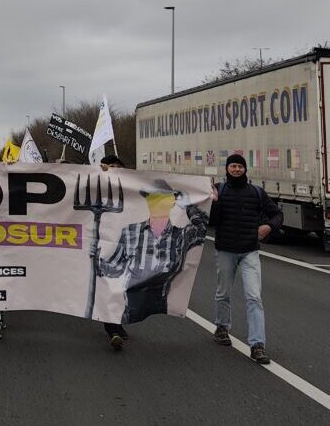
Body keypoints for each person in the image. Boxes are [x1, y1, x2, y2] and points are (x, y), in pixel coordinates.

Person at [98, 178, 208, 335]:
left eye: (163, 198)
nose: (158, 203)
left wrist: (188, 206)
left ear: (171, 202)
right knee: (118, 309)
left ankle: (115, 328)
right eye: (153, 198)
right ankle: (113, 328)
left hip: (161, 301)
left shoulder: (181, 235)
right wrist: (97, 261)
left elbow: (202, 228)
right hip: (130, 301)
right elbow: (114, 267)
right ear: (148, 202)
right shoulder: (130, 232)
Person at [210, 154, 283, 364]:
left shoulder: (256, 193)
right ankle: (222, 328)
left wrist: (269, 226)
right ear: (227, 168)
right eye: (232, 166)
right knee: (223, 292)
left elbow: (277, 214)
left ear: (245, 169)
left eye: (239, 166)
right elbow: (212, 221)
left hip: (250, 251)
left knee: (254, 297)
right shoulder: (220, 190)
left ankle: (257, 344)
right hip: (225, 250)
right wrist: (214, 203)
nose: (236, 169)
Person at [98, 155, 130, 349]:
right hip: (104, 244)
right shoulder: (97, 185)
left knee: (122, 288)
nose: (114, 169)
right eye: (110, 166)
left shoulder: (130, 187)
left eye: (117, 167)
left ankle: (117, 324)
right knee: (109, 286)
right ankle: (113, 328)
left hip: (126, 244)